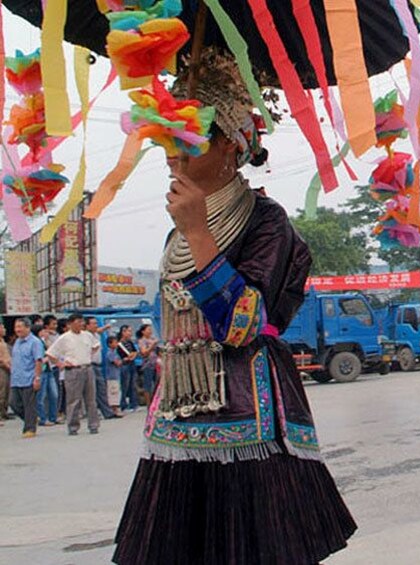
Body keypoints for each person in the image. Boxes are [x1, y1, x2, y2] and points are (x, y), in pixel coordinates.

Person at [113, 50, 355, 565]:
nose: (173, 156)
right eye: (167, 141)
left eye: (189, 141)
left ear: (230, 146)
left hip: (249, 415)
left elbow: (244, 323)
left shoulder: (267, 223)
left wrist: (200, 232)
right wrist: (191, 231)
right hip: (179, 413)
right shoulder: (174, 231)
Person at [46, 313, 101, 436]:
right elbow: (51, 353)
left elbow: (96, 346)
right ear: (70, 324)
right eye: (78, 322)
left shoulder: (87, 335)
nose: (81, 324)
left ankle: (93, 425)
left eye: (82, 322)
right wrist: (61, 364)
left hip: (87, 368)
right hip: (73, 370)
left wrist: (87, 355)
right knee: (73, 400)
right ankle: (73, 426)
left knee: (91, 399)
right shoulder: (64, 338)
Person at [9, 319, 44, 438]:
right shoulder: (17, 342)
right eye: (16, 327)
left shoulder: (35, 342)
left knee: (29, 405)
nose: (17, 329)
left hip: (29, 378)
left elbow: (38, 360)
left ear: (28, 328)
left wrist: (37, 378)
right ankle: (32, 418)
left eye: (20, 327)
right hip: (16, 379)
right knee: (14, 403)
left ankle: (29, 428)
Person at [85, 317, 119, 420]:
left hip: (98, 365)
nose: (96, 325)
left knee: (101, 389)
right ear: (87, 326)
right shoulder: (86, 336)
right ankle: (93, 413)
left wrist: (106, 327)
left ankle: (107, 412)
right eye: (93, 323)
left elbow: (99, 330)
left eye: (96, 323)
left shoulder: (96, 334)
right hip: (90, 364)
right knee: (92, 390)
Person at [35, 315, 60, 426]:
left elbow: (52, 350)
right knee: (41, 396)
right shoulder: (36, 343)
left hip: (50, 369)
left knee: (54, 394)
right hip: (42, 370)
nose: (45, 332)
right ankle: (43, 418)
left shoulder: (44, 341)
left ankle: (53, 417)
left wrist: (47, 340)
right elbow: (38, 358)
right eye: (42, 331)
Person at [117, 326, 140, 412]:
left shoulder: (129, 342)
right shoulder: (119, 344)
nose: (130, 333)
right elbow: (121, 355)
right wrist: (128, 357)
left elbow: (134, 351)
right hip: (124, 365)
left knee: (133, 384)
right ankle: (123, 405)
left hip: (132, 364)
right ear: (123, 332)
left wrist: (133, 356)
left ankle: (133, 404)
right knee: (124, 385)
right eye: (128, 331)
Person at [136, 324, 159, 401]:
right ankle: (149, 404)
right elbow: (144, 352)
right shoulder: (141, 341)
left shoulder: (153, 339)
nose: (150, 331)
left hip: (156, 364)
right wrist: (152, 346)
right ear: (143, 331)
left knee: (157, 385)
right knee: (147, 385)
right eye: (148, 329)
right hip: (148, 365)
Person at [0, 323, 11, 422]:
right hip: (2, 369)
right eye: (2, 328)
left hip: (8, 368)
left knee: (7, 391)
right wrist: (7, 366)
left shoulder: (3, 341)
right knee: (2, 392)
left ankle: (5, 412)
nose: (4, 329)